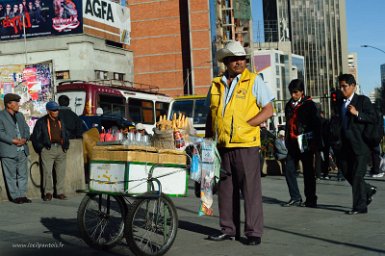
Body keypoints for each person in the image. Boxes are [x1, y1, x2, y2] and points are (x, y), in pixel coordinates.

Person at [205, 40, 274, 246]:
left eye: (242, 58)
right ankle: (228, 229)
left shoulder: (254, 81)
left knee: (250, 190)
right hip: (223, 146)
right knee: (226, 190)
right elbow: (212, 114)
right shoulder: (216, 84)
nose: (239, 62)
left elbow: (268, 110)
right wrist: (208, 140)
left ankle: (253, 232)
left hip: (246, 145)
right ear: (226, 61)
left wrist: (248, 124)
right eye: (234, 59)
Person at [337, 74, 377, 214]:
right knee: (345, 171)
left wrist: (357, 113)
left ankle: (360, 207)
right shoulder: (340, 102)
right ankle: (367, 190)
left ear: (353, 86)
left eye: (344, 86)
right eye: (340, 86)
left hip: (361, 145)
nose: (342, 89)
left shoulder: (362, 100)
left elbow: (373, 117)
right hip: (345, 145)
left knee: (357, 175)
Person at [282, 79, 321, 208]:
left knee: (308, 171)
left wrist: (315, 142)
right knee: (289, 169)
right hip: (292, 142)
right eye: (291, 93)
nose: (293, 95)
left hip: (305, 141)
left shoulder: (309, 105)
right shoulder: (288, 105)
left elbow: (316, 124)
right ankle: (295, 197)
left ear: (302, 92)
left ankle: (311, 199)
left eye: (296, 92)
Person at [31, 101, 70, 201]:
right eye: (53, 110)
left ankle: (60, 192)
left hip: (61, 148)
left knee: (61, 172)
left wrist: (65, 145)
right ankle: (48, 193)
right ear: (48, 111)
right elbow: (35, 137)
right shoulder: (42, 121)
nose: (56, 111)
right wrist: (42, 148)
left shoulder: (61, 120)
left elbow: (66, 133)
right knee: (47, 172)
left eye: (57, 109)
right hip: (48, 149)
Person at [0, 93, 31, 204]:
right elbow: (1, 133)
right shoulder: (1, 116)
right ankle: (15, 197)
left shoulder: (20, 115)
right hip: (8, 150)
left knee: (23, 175)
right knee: (11, 176)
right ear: (9, 104)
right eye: (16, 102)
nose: (18, 104)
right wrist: (13, 140)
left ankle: (22, 195)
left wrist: (25, 139)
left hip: (22, 150)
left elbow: (27, 129)